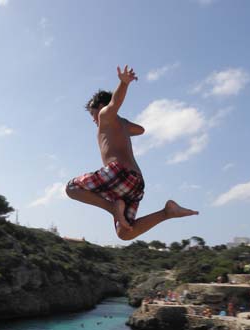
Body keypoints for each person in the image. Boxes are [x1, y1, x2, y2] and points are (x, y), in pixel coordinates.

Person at [65, 65, 198, 240]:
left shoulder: (105, 115)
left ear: (101, 107)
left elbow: (114, 103)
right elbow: (140, 130)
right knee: (125, 233)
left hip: (119, 173)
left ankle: (113, 208)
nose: (93, 119)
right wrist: (122, 127)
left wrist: (124, 83)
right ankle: (167, 212)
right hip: (135, 183)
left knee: (72, 188)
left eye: (92, 114)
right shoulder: (122, 124)